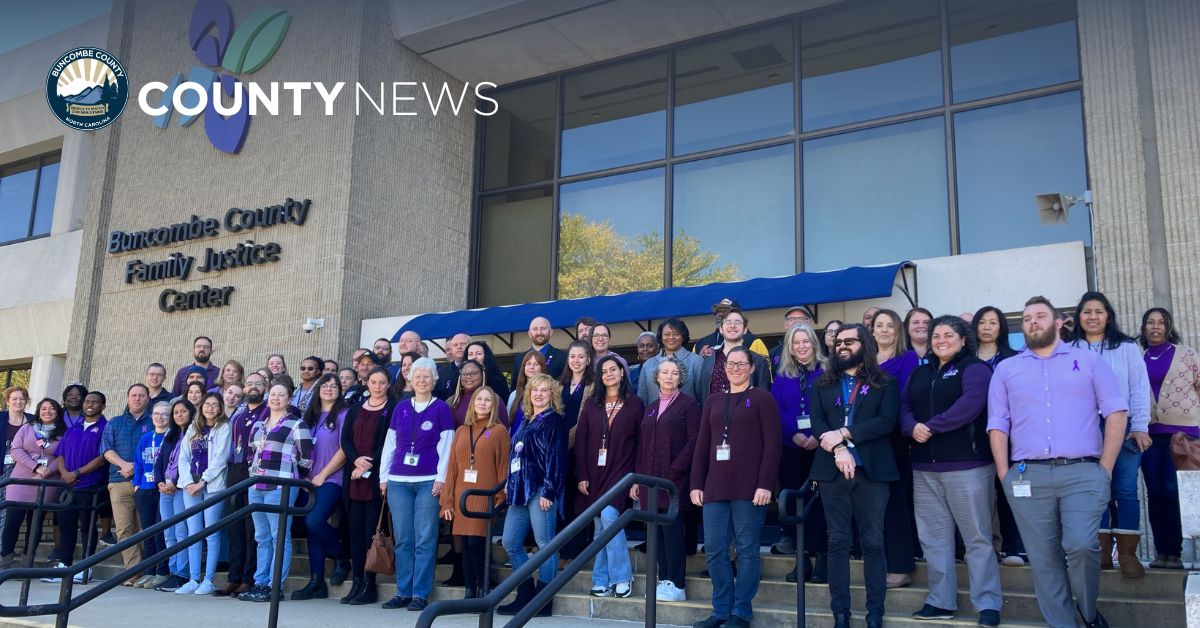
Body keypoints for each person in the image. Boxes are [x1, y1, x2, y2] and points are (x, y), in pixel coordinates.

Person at [987, 296, 1128, 628]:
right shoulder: (1007, 369)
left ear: (1058, 322)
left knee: (1080, 545)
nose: (1033, 322)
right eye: (1026, 319)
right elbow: (997, 424)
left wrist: (1104, 469)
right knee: (1043, 560)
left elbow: (1117, 412)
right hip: (1027, 476)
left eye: (1040, 316)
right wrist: (1005, 474)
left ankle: (1089, 613)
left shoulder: (1089, 361)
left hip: (1083, 472)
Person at [901, 316, 1002, 626]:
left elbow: (970, 404)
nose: (940, 340)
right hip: (924, 468)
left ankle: (987, 604)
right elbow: (903, 407)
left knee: (977, 538)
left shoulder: (975, 368)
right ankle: (940, 600)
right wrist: (911, 427)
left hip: (967, 467)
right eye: (935, 335)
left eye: (948, 334)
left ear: (962, 339)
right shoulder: (920, 371)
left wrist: (930, 427)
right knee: (934, 540)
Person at [809, 324, 898, 628]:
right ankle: (841, 615)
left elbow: (886, 422)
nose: (842, 345)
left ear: (865, 345)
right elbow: (818, 424)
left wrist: (845, 434)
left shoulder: (884, 382)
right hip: (832, 474)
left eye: (850, 341)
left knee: (873, 542)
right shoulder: (822, 384)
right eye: (838, 342)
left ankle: (875, 614)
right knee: (837, 542)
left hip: (872, 473)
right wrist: (838, 450)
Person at [689, 345, 780, 628]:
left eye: (742, 364)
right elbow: (702, 445)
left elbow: (773, 446)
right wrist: (696, 483)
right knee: (715, 549)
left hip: (750, 488)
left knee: (747, 549)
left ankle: (741, 611)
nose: (736, 368)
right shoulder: (714, 401)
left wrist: (765, 484)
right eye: (731, 364)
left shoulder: (762, 399)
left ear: (752, 368)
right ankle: (720, 610)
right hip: (715, 486)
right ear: (724, 367)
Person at [1069, 291, 1152, 578]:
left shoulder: (1126, 347)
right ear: (1078, 317)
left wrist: (1140, 426)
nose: (1092, 317)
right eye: (1086, 311)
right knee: (1094, 492)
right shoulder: (1069, 349)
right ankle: (1102, 552)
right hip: (1085, 430)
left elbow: (1139, 387)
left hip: (1123, 427)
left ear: (1108, 316)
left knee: (1125, 489)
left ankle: (1127, 554)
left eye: (1099, 311)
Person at [379, 358, 455, 612]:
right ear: (409, 380)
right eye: (417, 376)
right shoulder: (400, 407)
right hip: (399, 480)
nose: (421, 380)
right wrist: (384, 476)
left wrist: (441, 478)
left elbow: (447, 447)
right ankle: (403, 591)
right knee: (403, 539)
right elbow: (390, 444)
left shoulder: (441, 408)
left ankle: (420, 593)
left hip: (427, 481)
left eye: (427, 376)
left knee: (425, 538)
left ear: (434, 380)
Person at [498, 374, 566, 618]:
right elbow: (517, 456)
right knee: (511, 542)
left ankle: (543, 600)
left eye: (544, 390)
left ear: (552, 395)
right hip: (519, 492)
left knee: (545, 543)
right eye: (535, 390)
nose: (538, 394)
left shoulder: (553, 420)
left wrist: (549, 490)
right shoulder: (527, 421)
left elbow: (556, 459)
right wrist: (509, 482)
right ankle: (525, 594)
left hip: (540, 490)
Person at [632, 357, 701, 602]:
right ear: (657, 377)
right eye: (665, 373)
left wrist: (674, 470)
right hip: (649, 482)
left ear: (680, 378)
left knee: (672, 534)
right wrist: (636, 480)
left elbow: (694, 441)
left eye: (674, 373)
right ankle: (664, 579)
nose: (669, 376)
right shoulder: (650, 407)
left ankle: (677, 584)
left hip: (674, 483)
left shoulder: (688, 404)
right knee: (656, 535)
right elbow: (642, 446)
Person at [576, 356, 645, 598]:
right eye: (603, 371)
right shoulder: (591, 405)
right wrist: (582, 475)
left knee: (608, 516)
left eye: (613, 369)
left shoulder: (635, 404)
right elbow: (582, 441)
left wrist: (636, 478)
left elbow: (641, 444)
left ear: (622, 373)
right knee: (600, 524)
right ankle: (600, 579)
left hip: (622, 471)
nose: (608, 374)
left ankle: (622, 576)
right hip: (595, 473)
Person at [240, 383, 312, 603]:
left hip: (281, 486)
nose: (276, 398)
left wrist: (292, 475)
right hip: (256, 486)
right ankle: (260, 583)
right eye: (273, 394)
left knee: (278, 537)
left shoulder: (296, 424)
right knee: (261, 537)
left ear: (289, 399)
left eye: (281, 395)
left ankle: (274, 586)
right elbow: (251, 455)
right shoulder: (258, 426)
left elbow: (307, 457)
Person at [1139, 307, 1198, 569]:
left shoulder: (1186, 355)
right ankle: (1164, 551)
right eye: (1150, 322)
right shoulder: (1137, 357)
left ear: (1168, 326)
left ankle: (1178, 553)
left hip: (1184, 435)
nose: (1155, 326)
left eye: (1161, 322)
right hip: (1151, 436)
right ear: (1143, 327)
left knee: (1178, 492)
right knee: (1156, 492)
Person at [440, 386, 510, 599]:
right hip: (462, 496)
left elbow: (503, 467)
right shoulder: (461, 430)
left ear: (493, 405)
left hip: (483, 497)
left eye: (487, 400)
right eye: (479, 399)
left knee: (475, 542)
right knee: (463, 544)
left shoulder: (499, 431)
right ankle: (470, 590)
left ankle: (483, 584)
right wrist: (447, 501)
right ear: (472, 403)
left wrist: (500, 498)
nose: (482, 403)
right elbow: (452, 467)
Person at [770, 324, 827, 583]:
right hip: (792, 447)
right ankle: (801, 560)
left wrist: (818, 434)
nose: (801, 346)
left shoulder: (827, 371)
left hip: (822, 447)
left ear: (813, 343)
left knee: (821, 504)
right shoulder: (782, 376)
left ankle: (823, 560)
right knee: (793, 502)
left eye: (806, 341)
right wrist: (793, 434)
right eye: (796, 343)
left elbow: (832, 406)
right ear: (790, 348)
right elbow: (777, 410)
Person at [971, 306, 1024, 566]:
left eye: (993, 322)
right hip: (972, 434)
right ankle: (985, 547)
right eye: (982, 322)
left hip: (1007, 434)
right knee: (979, 495)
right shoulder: (964, 358)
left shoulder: (1013, 358)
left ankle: (1012, 547)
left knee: (1007, 490)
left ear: (1002, 327)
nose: (987, 327)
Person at [871, 308, 919, 588]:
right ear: (873, 330)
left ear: (898, 330)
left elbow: (904, 397)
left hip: (895, 440)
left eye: (891, 325)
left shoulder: (908, 358)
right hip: (867, 440)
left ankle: (901, 567)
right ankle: (879, 562)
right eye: (880, 325)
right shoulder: (866, 361)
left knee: (895, 504)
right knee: (873, 506)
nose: (885, 330)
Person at [340, 367, 396, 606]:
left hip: (375, 477)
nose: (377, 386)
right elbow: (345, 440)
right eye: (373, 382)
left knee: (371, 533)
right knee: (355, 534)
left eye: (382, 382)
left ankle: (369, 586)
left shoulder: (392, 409)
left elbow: (389, 442)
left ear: (388, 385)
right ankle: (356, 583)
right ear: (367, 384)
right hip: (353, 476)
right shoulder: (355, 409)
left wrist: (367, 464)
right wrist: (355, 461)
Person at [293, 374, 348, 600]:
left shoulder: (344, 413)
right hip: (308, 481)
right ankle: (316, 581)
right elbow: (298, 449)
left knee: (313, 520)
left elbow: (344, 449)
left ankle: (340, 555)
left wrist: (323, 475)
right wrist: (304, 477)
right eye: (324, 386)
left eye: (333, 386)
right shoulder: (310, 417)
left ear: (339, 390)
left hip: (332, 479)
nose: (328, 389)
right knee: (313, 529)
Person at [43, 391, 107, 581]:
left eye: (95, 402)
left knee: (87, 526)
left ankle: (86, 568)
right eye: (88, 401)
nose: (90, 404)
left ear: (102, 406)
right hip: (67, 485)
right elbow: (60, 455)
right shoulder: (74, 428)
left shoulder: (105, 427)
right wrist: (64, 474)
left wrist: (77, 473)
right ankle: (64, 565)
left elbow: (102, 458)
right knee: (65, 525)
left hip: (90, 484)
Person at [216, 372, 269, 597]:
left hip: (256, 469)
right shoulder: (238, 414)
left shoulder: (268, 411)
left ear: (265, 386)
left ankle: (249, 577)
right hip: (236, 470)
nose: (253, 387)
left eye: (258, 383)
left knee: (252, 528)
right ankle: (233, 578)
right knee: (235, 525)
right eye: (250, 384)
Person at [176, 393, 231, 594]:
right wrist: (190, 482)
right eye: (207, 404)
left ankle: (208, 580)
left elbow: (221, 458)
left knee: (211, 532)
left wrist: (202, 482)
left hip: (212, 486)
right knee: (193, 532)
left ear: (220, 408)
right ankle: (193, 578)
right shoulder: (193, 427)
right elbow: (183, 457)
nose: (209, 408)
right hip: (190, 486)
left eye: (214, 405)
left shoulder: (224, 427)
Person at [0, 398, 66, 567]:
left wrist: (47, 471)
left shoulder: (63, 432)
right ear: (38, 411)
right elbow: (15, 450)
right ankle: (5, 559)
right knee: (12, 522)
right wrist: (35, 467)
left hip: (47, 482)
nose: (47, 411)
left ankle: (26, 562)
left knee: (35, 525)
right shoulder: (27, 428)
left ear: (57, 412)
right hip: (20, 481)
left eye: (52, 408)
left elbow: (62, 456)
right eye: (43, 408)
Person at [101, 384, 153, 585]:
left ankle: (146, 570)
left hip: (145, 483)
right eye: (133, 395)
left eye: (141, 395)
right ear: (127, 398)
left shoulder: (154, 422)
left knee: (145, 528)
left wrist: (137, 468)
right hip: (119, 481)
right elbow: (106, 449)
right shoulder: (115, 422)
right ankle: (133, 573)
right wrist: (123, 464)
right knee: (124, 529)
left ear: (148, 399)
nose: (137, 399)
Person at [558, 340, 595, 562]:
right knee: (563, 497)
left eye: (581, 356)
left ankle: (578, 547)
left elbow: (587, 420)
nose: (576, 361)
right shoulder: (558, 385)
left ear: (588, 359)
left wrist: (568, 439)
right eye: (572, 356)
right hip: (559, 452)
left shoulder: (594, 384)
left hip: (582, 449)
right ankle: (561, 546)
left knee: (580, 499)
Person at [152, 399, 194, 592]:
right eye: (175, 412)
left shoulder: (194, 433)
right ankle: (173, 571)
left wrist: (174, 484)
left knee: (180, 531)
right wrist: (159, 481)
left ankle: (182, 574)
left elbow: (190, 463)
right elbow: (160, 460)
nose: (179, 415)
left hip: (180, 489)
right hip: (165, 489)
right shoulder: (171, 434)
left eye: (183, 411)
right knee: (168, 533)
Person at [131, 401, 171, 589]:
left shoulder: (172, 437)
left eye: (164, 414)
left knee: (160, 531)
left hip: (162, 489)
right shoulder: (146, 438)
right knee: (147, 532)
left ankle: (162, 571)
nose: (160, 417)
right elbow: (138, 462)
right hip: (145, 489)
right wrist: (137, 484)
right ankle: (149, 571)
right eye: (157, 413)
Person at [699, 308, 771, 395]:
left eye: (737, 322)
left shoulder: (758, 361)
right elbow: (701, 393)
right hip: (713, 408)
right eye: (728, 322)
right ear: (720, 329)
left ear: (745, 330)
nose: (732, 326)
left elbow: (764, 396)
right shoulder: (708, 358)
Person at [638, 318, 704, 405]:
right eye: (666, 334)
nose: (671, 337)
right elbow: (642, 399)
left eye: (676, 334)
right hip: (653, 417)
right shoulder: (648, 364)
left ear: (683, 336)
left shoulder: (696, 361)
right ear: (661, 337)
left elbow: (702, 396)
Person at [1, 386, 32, 538]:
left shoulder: (33, 421)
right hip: (2, 468)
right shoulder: (1, 418)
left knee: (9, 512)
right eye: (14, 399)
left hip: (23, 470)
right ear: (7, 401)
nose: (18, 402)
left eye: (22, 398)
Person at [694, 299, 769, 358]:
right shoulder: (700, 344)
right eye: (718, 312)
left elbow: (764, 373)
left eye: (726, 312)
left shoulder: (753, 341)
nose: (721, 315)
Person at [449, 360, 509, 428]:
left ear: (482, 375)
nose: (468, 376)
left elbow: (503, 429)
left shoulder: (493, 398)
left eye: (474, 373)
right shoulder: (452, 401)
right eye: (464, 373)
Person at [508, 350, 549, 435]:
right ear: (524, 367)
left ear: (542, 368)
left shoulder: (547, 394)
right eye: (528, 364)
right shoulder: (514, 395)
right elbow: (508, 423)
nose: (532, 367)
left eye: (536, 364)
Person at [769, 306, 815, 376]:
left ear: (809, 323)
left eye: (801, 318)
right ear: (785, 325)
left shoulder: (821, 349)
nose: (796, 322)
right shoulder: (774, 352)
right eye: (791, 319)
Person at [435, 333, 472, 400]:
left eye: (463, 344)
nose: (459, 347)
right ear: (451, 349)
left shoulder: (480, 370)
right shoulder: (440, 373)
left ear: (470, 346)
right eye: (455, 345)